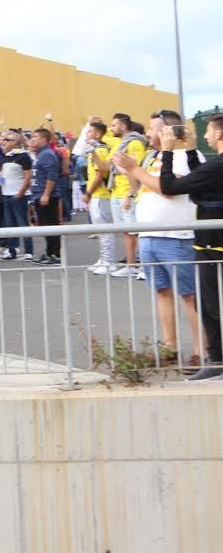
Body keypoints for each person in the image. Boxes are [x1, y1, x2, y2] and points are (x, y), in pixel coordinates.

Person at [128, 113, 223, 380]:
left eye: (208, 132)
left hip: (211, 245)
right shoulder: (213, 167)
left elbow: (170, 186)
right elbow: (200, 185)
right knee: (207, 303)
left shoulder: (216, 166)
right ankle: (215, 359)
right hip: (208, 243)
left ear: (218, 135)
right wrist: (190, 148)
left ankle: (215, 360)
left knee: (207, 304)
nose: (203, 135)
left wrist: (169, 151)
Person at [114, 111, 202, 365]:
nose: (147, 134)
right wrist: (130, 171)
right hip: (151, 235)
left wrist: (136, 170)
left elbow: (169, 190)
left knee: (190, 296)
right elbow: (147, 187)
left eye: (153, 129)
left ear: (168, 131)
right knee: (162, 291)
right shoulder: (155, 157)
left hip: (176, 237)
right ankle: (169, 347)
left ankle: (202, 350)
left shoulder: (185, 157)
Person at [109, 114, 150, 280]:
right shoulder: (120, 143)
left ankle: (143, 267)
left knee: (137, 232)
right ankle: (131, 265)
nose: (111, 128)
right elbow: (109, 166)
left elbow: (135, 169)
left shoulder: (134, 143)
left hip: (128, 193)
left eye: (113, 125)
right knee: (126, 232)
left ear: (123, 126)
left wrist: (130, 194)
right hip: (117, 192)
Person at [80, 120, 121, 275]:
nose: (87, 134)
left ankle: (108, 261)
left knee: (105, 230)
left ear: (97, 134)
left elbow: (100, 174)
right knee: (100, 229)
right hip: (97, 195)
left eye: (89, 131)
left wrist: (88, 192)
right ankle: (104, 259)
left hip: (101, 194)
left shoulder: (101, 150)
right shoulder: (94, 150)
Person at [26, 128, 63, 265]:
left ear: (43, 140)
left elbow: (51, 175)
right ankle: (49, 252)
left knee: (51, 226)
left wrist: (46, 194)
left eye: (34, 137)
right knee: (45, 226)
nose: (31, 139)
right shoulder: (40, 154)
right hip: (39, 195)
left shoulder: (47, 154)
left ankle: (55, 254)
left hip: (46, 197)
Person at [0, 132, 33, 261]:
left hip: (18, 195)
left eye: (8, 140)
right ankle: (12, 250)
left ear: (16, 142)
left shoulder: (23, 156)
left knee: (22, 223)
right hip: (6, 193)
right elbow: (1, 173)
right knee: (10, 224)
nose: (5, 142)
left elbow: (28, 177)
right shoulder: (5, 157)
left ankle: (29, 251)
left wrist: (20, 193)